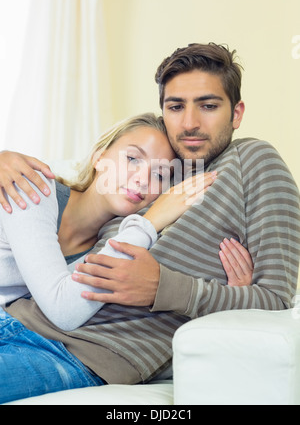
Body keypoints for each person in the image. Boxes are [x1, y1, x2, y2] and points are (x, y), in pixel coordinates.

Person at [0, 42, 299, 403]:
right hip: (21, 322)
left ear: (236, 114)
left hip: (75, 354)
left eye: (208, 105)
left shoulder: (254, 161)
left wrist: (168, 289)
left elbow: (276, 300)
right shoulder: (153, 186)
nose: (189, 122)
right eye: (175, 107)